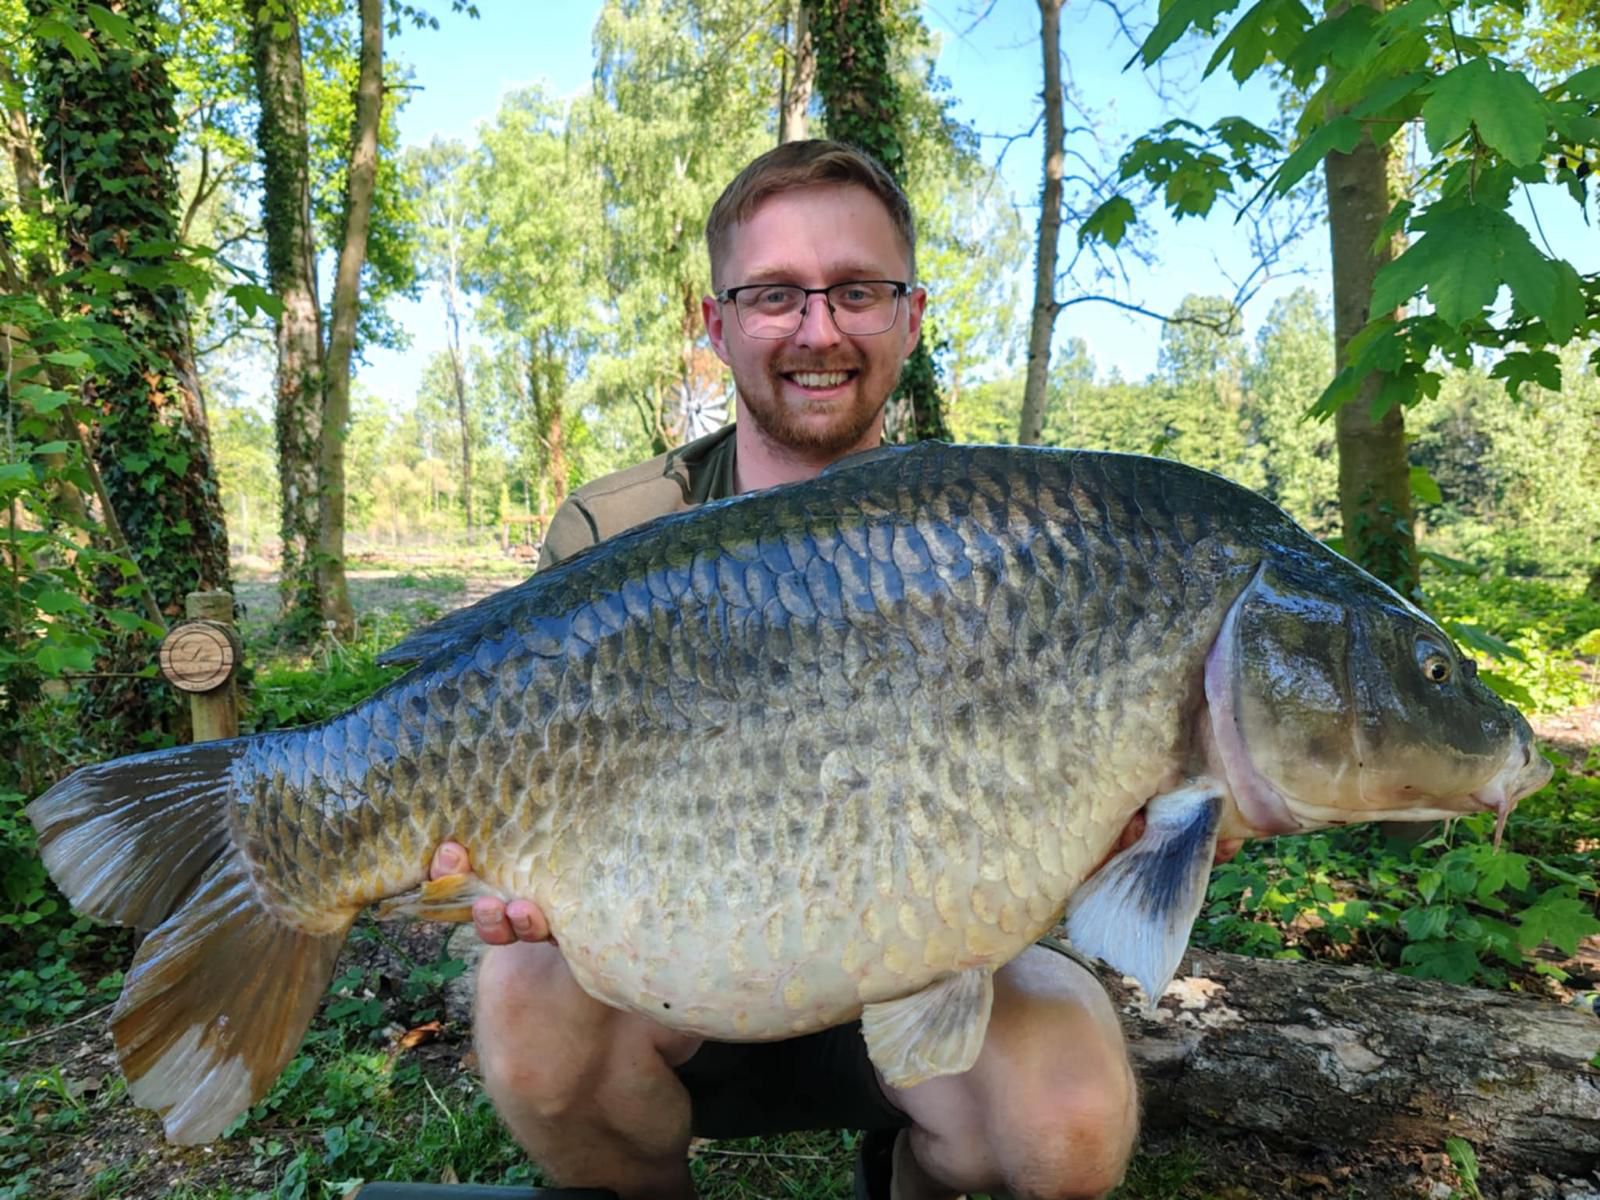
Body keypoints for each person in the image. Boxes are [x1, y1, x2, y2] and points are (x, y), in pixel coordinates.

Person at [427, 140, 1154, 1200]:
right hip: (673, 971)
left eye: (858, 291)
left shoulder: (1006, 541)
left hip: (931, 961)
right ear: (716, 323)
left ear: (911, 315)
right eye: (774, 295)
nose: (819, 330)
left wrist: (1123, 823)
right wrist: (494, 868)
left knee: (1069, 1119)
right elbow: (505, 762)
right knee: (524, 999)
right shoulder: (618, 531)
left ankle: (912, 1178)